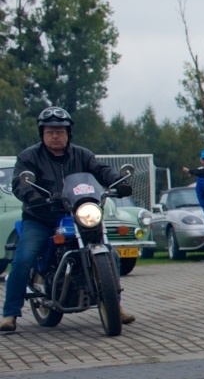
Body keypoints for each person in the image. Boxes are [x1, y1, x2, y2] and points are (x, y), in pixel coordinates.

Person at [2, 107, 135, 334]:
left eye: (60, 131)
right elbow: (20, 183)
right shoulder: (29, 157)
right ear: (42, 133)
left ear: (68, 133)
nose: (55, 135)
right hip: (41, 217)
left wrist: (116, 182)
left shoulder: (82, 155)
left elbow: (101, 170)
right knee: (24, 259)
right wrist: (33, 196)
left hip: (78, 215)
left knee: (110, 253)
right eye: (50, 131)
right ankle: (10, 313)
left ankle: (115, 304)